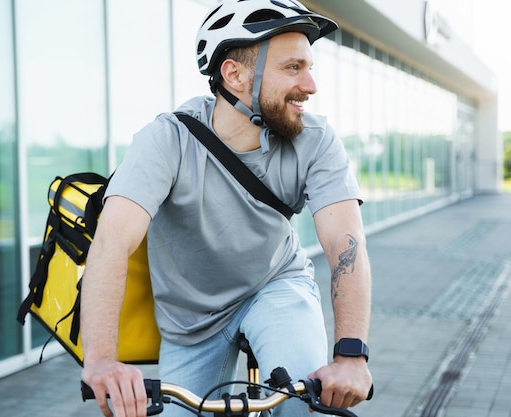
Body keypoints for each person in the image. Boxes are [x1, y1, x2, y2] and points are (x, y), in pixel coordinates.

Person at [80, 1, 372, 416]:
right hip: (190, 318)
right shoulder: (166, 140)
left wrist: (351, 355)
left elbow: (346, 242)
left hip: (275, 287)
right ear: (234, 74)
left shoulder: (317, 140)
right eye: (293, 68)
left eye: (309, 67)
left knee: (304, 407)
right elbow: (111, 243)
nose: (310, 84)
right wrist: (103, 361)